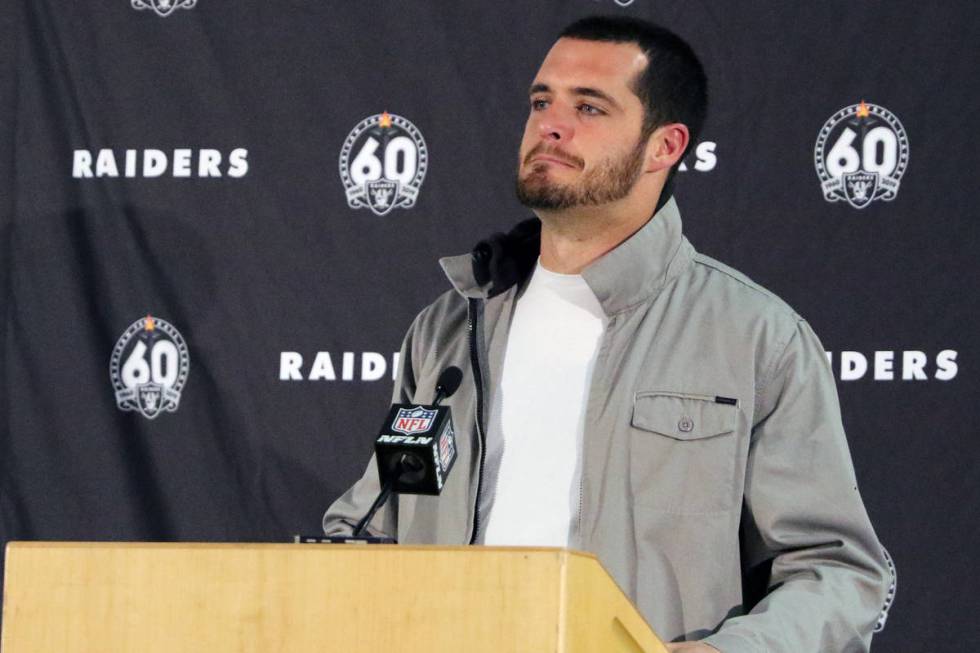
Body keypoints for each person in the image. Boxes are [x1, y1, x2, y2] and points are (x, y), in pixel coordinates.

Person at [324, 15, 889, 652]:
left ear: (664, 146)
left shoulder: (758, 338)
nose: (550, 124)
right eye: (542, 101)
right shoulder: (449, 328)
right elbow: (375, 523)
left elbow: (837, 571)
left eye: (589, 107)